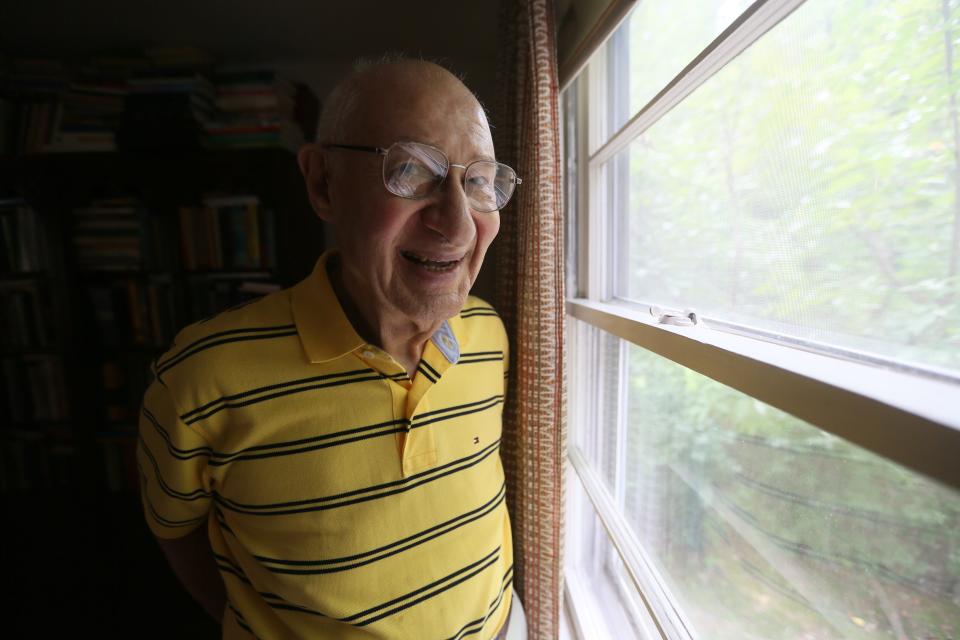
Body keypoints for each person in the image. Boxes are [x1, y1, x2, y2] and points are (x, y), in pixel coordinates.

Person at [136, 57, 525, 639]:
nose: (459, 224)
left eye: (479, 181)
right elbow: (177, 532)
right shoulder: (198, 381)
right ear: (323, 183)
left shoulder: (489, 334)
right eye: (414, 171)